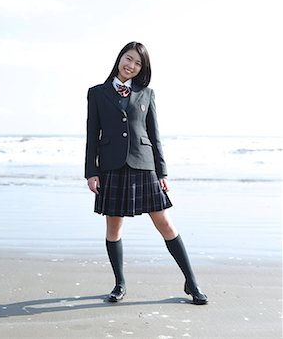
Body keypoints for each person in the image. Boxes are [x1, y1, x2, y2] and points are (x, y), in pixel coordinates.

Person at [85, 42, 208, 305]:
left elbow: (155, 135)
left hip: (144, 165)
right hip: (111, 168)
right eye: (128, 59)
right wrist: (91, 172)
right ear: (120, 59)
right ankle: (119, 283)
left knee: (164, 222)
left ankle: (192, 281)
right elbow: (91, 135)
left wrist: (162, 172)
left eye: (138, 63)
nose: (131, 65)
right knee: (114, 226)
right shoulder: (96, 93)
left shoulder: (147, 93)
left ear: (142, 69)